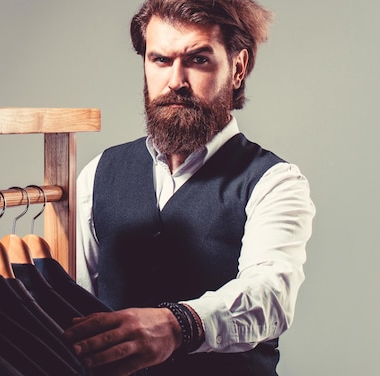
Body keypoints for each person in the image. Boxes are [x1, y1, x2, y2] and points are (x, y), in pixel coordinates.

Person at [63, 0, 316, 375]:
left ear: (238, 68)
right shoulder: (99, 173)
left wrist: (178, 324)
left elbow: (270, 296)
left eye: (197, 60)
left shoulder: (274, 181)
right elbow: (75, 303)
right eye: (160, 60)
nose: (175, 81)